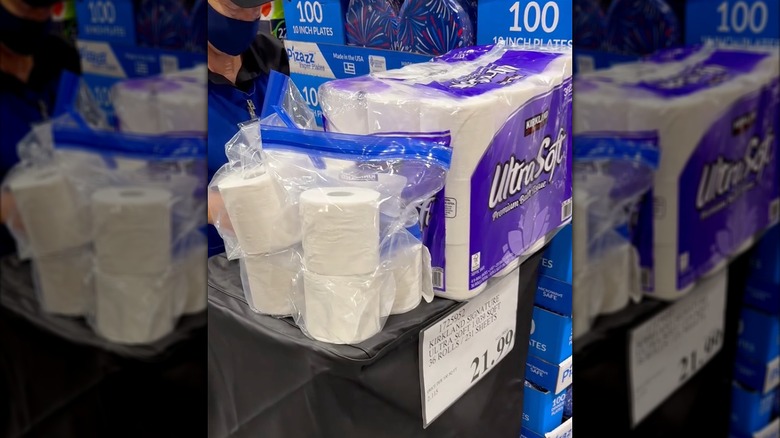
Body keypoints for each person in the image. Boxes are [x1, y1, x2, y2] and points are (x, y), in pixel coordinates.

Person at [207, 0, 289, 257]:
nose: (247, 19)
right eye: (234, 9)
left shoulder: (271, 56)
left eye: (257, 10)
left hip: (276, 249)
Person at [0, 0, 80, 256]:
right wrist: (9, 207)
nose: (36, 18)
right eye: (24, 8)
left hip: (74, 249)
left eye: (45, 9)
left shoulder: (61, 59)